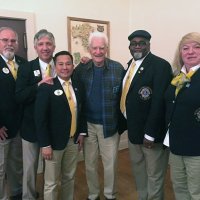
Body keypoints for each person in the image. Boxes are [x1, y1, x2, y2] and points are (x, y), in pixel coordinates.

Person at [120, 30, 172, 200]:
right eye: (133, 43)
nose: (137, 46)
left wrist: (150, 133)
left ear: (149, 45)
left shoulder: (160, 66)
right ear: (129, 47)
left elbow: (158, 103)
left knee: (154, 175)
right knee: (139, 170)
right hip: (134, 131)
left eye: (141, 43)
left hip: (151, 135)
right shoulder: (130, 65)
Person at [74, 31, 125, 200]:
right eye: (94, 48)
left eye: (101, 48)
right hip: (88, 125)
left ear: (106, 48)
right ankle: (93, 194)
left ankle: (110, 195)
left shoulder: (117, 68)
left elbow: (125, 97)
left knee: (110, 165)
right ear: (89, 49)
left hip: (109, 124)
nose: (98, 52)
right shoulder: (82, 69)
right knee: (90, 164)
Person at [34, 50, 87, 200]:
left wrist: (82, 133)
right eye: (61, 64)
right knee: (51, 182)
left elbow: (82, 110)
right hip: (53, 144)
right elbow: (40, 119)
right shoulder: (47, 86)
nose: (65, 67)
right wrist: (45, 145)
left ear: (73, 65)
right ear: (55, 66)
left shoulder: (78, 85)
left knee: (69, 177)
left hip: (72, 141)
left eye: (68, 63)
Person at [15, 29, 56, 200]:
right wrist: (38, 85)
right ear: (35, 47)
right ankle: (28, 196)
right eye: (41, 44)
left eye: (48, 44)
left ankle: (49, 196)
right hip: (30, 128)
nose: (45, 47)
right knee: (30, 168)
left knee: (51, 169)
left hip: (52, 128)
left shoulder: (61, 66)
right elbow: (19, 96)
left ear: (54, 46)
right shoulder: (26, 68)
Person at [164, 32, 200, 200]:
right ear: (180, 52)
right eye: (185, 48)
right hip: (176, 145)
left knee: (196, 191)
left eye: (197, 47)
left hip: (196, 148)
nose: (190, 51)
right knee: (179, 187)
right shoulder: (177, 77)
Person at [0, 27, 27, 200]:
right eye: (5, 40)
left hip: (20, 126)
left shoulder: (23, 63)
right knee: (0, 167)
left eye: (13, 41)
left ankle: (17, 192)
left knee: (17, 163)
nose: (9, 44)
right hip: (1, 128)